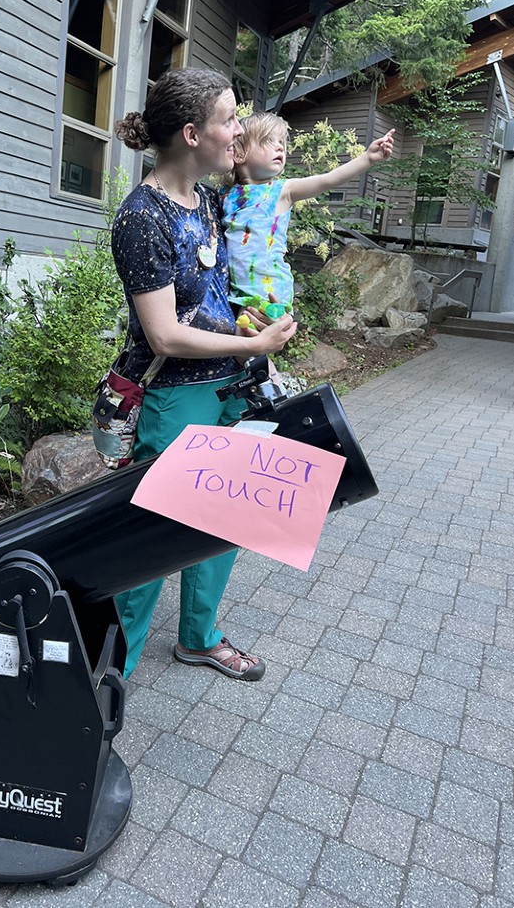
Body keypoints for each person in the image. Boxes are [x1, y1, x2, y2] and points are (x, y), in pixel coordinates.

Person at [111, 68, 298, 682]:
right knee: (155, 538)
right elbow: (163, 333)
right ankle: (108, 678)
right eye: (230, 119)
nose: (239, 130)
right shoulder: (143, 217)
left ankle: (198, 637)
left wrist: (258, 326)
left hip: (230, 387)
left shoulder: (213, 201)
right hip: (176, 394)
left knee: (222, 523)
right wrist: (252, 346)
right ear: (193, 135)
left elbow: (268, 204)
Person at [222, 110, 395, 315]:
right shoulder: (226, 196)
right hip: (233, 293)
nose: (279, 147)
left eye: (282, 143)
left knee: (251, 341)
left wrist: (368, 158)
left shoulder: (282, 191)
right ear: (239, 153)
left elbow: (328, 179)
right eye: (268, 141)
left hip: (268, 292)